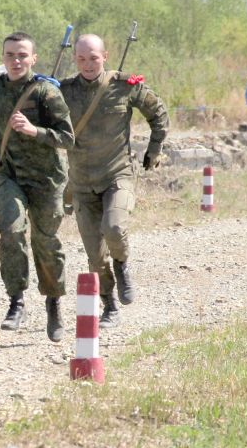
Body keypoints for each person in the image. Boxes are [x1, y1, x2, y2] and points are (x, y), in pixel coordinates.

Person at [60, 34, 169, 327]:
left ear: (105, 57)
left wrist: (154, 150)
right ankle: (109, 306)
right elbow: (40, 121)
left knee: (115, 227)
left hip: (116, 176)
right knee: (95, 258)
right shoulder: (63, 92)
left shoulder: (124, 86)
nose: (88, 64)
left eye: (93, 58)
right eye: (81, 58)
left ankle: (122, 265)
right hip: (82, 184)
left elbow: (158, 112)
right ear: (75, 59)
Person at [0, 32, 74, 342]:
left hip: (46, 179)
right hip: (11, 176)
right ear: (2, 57)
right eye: (10, 55)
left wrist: (35, 131)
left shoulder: (46, 92)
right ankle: (16, 301)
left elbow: (67, 137)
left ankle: (53, 301)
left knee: (45, 242)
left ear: (33, 59)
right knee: (11, 229)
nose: (15, 60)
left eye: (22, 55)